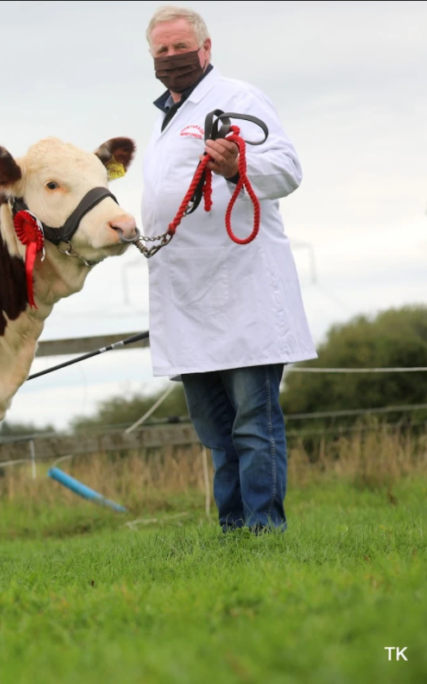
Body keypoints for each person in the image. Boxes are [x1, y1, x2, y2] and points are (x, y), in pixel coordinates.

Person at [139, 6, 317, 533]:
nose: (172, 57)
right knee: (216, 429)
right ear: (151, 56)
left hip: (242, 288)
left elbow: (287, 169)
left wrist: (240, 166)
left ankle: (265, 529)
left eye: (180, 47)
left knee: (253, 424)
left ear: (206, 47)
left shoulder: (238, 99)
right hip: (187, 294)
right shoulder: (162, 119)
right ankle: (233, 529)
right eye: (161, 50)